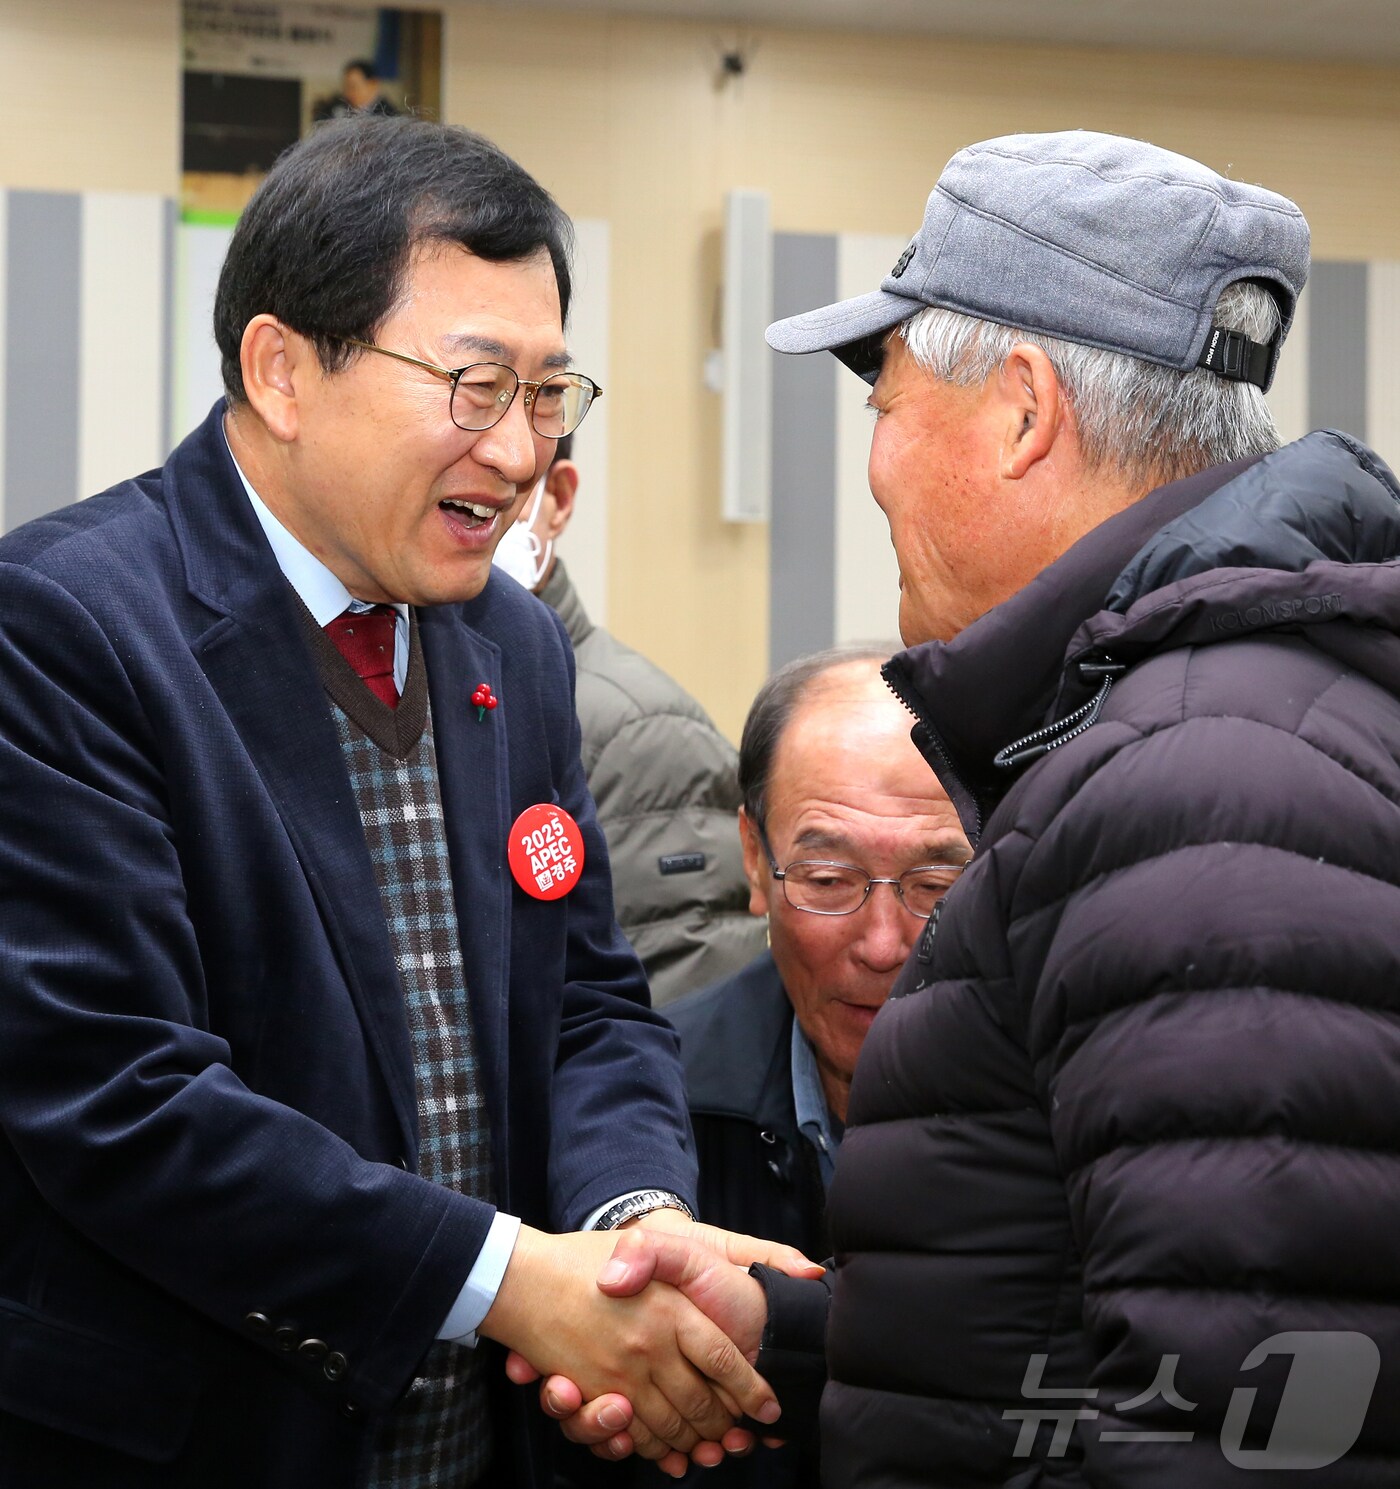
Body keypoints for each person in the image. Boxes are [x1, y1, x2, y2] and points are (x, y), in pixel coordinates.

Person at [528, 130, 1400, 1486]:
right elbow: (1084, 1317)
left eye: (883, 399)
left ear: (1023, 410)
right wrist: (781, 1327)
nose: (874, 463)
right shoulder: (1195, 724)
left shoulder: (1199, 786)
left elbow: (1251, 1414)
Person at [0, 115, 810, 1489]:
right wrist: (513, 1282)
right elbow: (120, 1098)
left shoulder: (515, 646)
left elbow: (588, 1005)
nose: (520, 451)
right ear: (283, 371)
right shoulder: (64, 628)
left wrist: (634, 1229)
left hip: (481, 1448)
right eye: (477, 385)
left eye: (548, 393)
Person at [666, 646, 970, 1487]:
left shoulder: (1072, 1105)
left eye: (936, 882)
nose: (883, 943)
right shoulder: (655, 1108)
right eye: (829, 878)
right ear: (754, 858)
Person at [492, 438, 765, 1006]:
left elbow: (678, 1018)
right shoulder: (412, 686)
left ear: (559, 499)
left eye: (505, 487)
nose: (479, 513)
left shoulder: (644, 736)